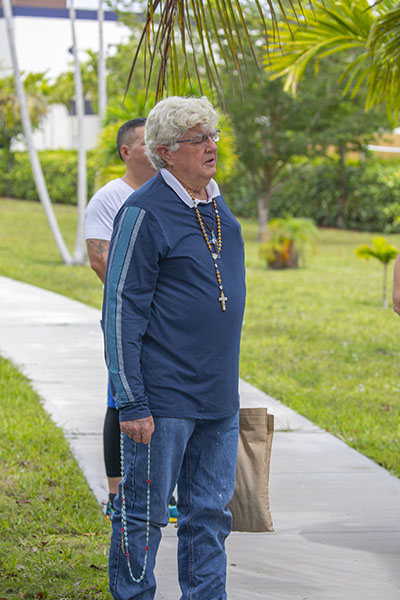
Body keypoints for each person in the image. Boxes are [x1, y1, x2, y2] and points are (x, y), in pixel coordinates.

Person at [102, 96, 246, 599]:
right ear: (164, 152)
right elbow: (120, 311)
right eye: (197, 139)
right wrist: (131, 401)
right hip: (161, 401)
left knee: (209, 516)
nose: (211, 146)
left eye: (213, 136)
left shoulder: (217, 203)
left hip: (217, 399)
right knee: (142, 515)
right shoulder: (143, 213)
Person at [85, 118, 157, 520]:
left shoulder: (170, 192)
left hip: (166, 321)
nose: (155, 147)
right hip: (127, 317)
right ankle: (118, 494)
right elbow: (99, 257)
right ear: (126, 152)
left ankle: (156, 489)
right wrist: (137, 299)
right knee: (122, 398)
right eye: (147, 143)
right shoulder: (110, 198)